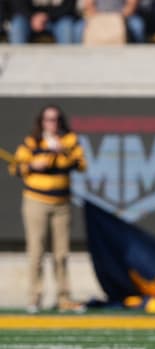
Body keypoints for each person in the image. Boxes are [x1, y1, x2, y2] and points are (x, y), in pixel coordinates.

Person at [8, 105, 87, 313]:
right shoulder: (32, 142)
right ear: (41, 122)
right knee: (36, 251)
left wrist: (63, 151)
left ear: (61, 121)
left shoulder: (69, 140)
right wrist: (32, 165)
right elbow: (15, 167)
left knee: (61, 254)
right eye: (48, 120)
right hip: (36, 201)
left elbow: (81, 164)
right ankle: (34, 298)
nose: (52, 123)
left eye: (56, 119)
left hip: (62, 204)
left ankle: (64, 298)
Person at [6, 0, 77, 44]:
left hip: (57, 18)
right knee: (18, 25)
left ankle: (65, 63)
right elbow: (17, 4)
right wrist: (32, 16)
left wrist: (47, 16)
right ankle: (19, 62)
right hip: (28, 18)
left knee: (66, 26)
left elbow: (69, 6)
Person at [75, 0, 146, 43]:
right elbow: (89, 5)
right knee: (78, 29)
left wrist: (121, 17)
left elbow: (131, 4)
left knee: (137, 26)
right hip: (98, 17)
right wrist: (99, 18)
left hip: (122, 16)